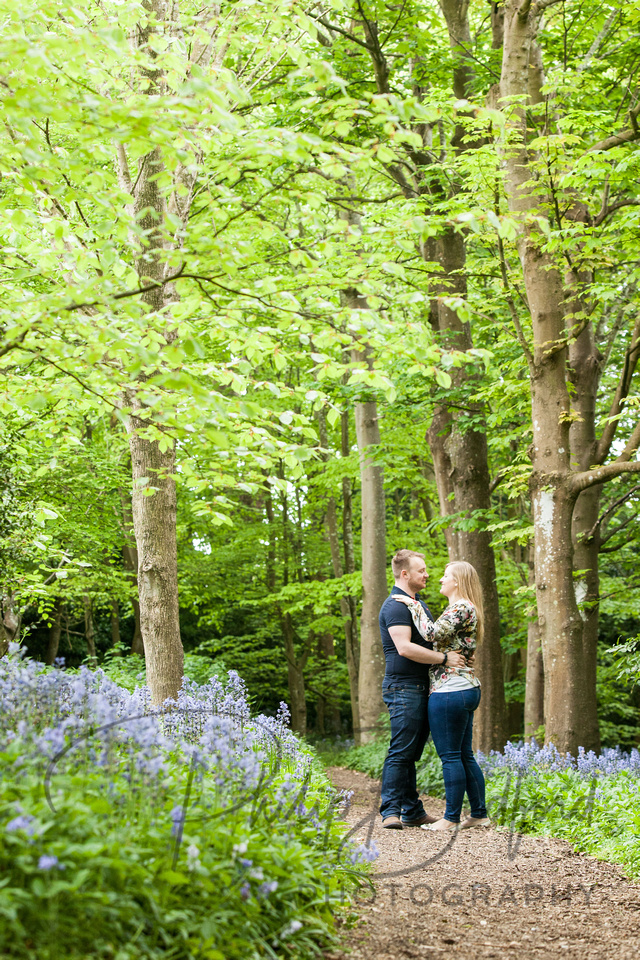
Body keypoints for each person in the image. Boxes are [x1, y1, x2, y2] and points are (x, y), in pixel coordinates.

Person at [393, 560, 490, 831]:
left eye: (445, 576)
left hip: (451, 691)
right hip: (463, 689)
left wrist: (413, 606)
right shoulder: (462, 608)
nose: (439, 579)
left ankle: (450, 819)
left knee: (450, 757)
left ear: (457, 581)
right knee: (463, 755)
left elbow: (431, 633)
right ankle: (479, 814)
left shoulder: (461, 607)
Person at [379, 550, 468, 829]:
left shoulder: (420, 606)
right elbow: (404, 648)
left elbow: (434, 640)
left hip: (423, 687)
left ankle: (413, 810)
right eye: (421, 570)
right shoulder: (395, 606)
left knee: (411, 752)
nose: (427, 575)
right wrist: (444, 659)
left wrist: (460, 651)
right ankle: (390, 811)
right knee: (401, 750)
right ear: (405, 574)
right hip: (403, 687)